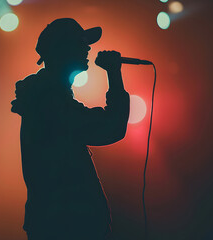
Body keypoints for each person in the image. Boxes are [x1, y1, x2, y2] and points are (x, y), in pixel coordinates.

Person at [11, 18, 130, 240]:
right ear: (62, 51)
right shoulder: (49, 103)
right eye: (80, 43)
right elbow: (111, 127)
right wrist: (114, 73)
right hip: (67, 228)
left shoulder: (47, 97)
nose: (87, 48)